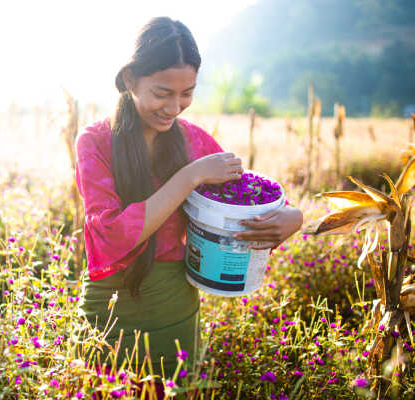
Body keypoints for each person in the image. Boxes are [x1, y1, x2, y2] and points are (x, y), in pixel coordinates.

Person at [74, 16, 303, 398]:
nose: (174, 107)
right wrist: (190, 177)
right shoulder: (95, 142)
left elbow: (249, 198)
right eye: (162, 93)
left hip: (175, 309)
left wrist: (292, 216)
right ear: (130, 80)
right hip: (110, 310)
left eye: (187, 93)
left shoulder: (195, 142)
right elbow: (111, 237)